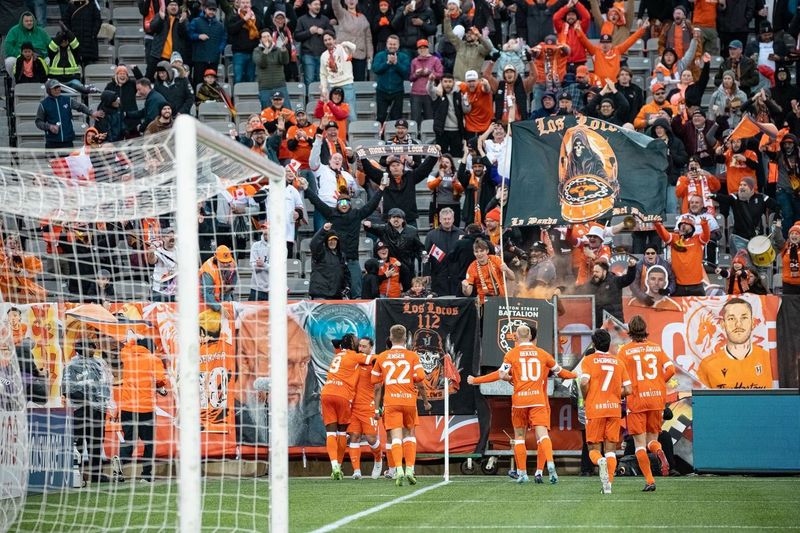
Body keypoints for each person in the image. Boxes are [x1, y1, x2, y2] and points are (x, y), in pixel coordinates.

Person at [497, 324, 576, 484]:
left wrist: (512, 378)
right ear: (531, 337)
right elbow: (560, 372)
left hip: (520, 400)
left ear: (517, 337)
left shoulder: (511, 354)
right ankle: (551, 463)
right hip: (538, 400)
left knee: (519, 437)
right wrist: (575, 374)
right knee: (543, 435)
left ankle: (523, 473)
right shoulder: (543, 354)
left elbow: (501, 374)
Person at [298, 173, 387, 299]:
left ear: (350, 204)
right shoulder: (331, 214)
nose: (344, 204)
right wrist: (307, 188)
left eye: (346, 202)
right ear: (337, 204)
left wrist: (382, 188)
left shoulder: (356, 214)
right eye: (341, 202)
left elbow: (371, 205)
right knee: (337, 291)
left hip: (352, 259)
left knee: (356, 291)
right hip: (336, 261)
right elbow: (317, 203)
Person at [617, 315, 675, 490]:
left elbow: (619, 378)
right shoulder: (656, 348)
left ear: (630, 331)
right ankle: (659, 451)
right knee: (652, 440)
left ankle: (650, 481)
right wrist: (658, 382)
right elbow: (671, 369)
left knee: (639, 445)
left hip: (637, 400)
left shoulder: (624, 351)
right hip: (656, 398)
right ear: (645, 329)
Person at [372, 324, 431, 486]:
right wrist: (425, 402)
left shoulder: (382, 357)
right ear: (406, 339)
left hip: (391, 402)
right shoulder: (412, 356)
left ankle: (398, 469)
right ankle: (410, 469)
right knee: (410, 434)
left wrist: (376, 408)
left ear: (390, 339)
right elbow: (420, 379)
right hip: (408, 401)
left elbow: (376, 385)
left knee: (395, 437)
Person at [580, 329, 632, 495]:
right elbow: (629, 389)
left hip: (595, 409)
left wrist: (586, 396)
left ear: (594, 344)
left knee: (593, 450)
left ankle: (599, 461)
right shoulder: (618, 362)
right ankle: (608, 485)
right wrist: (615, 393)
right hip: (613, 409)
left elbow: (583, 382)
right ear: (609, 344)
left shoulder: (589, 360)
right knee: (611, 450)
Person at [320, 333, 373, 480]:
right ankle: (339, 464)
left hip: (326, 393)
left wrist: (341, 343)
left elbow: (335, 342)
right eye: (356, 341)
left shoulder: (339, 354)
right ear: (351, 343)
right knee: (342, 433)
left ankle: (334, 467)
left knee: (330, 434)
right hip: (342, 395)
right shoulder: (355, 356)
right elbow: (375, 359)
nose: (359, 345)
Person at [61, 340, 115, 483]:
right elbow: (66, 389)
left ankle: (97, 474)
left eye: (93, 347)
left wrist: (106, 401)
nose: (93, 349)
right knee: (78, 442)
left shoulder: (100, 363)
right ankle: (76, 473)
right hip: (81, 409)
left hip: (99, 410)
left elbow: (107, 383)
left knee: (96, 442)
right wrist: (88, 399)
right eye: (90, 347)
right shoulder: (72, 366)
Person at [117, 337, 168, 483]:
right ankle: (146, 475)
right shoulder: (153, 359)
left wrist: (133, 341)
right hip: (146, 408)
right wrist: (159, 387)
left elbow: (126, 345)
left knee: (129, 441)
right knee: (149, 442)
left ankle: (119, 465)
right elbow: (161, 379)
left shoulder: (127, 355)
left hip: (127, 407)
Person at [697, 298, 774, 389]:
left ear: (752, 323)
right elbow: (703, 401)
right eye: (731, 318)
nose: (738, 324)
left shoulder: (768, 360)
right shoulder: (708, 364)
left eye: (744, 318)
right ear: (723, 324)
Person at [360, 153, 438, 229]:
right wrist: (362, 157)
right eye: (393, 165)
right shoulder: (384, 177)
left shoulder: (410, 176)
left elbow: (424, 169)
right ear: (389, 168)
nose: (395, 167)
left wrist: (434, 156)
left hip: (409, 219)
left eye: (398, 165)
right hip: (390, 220)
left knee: (413, 241)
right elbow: (370, 170)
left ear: (403, 167)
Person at [711, 178, 780, 254]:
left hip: (757, 237)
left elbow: (777, 207)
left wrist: (776, 221)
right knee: (743, 262)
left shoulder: (761, 198)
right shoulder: (735, 197)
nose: (742, 187)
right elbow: (723, 198)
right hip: (739, 237)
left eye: (745, 185)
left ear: (751, 187)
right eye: (740, 185)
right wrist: (712, 195)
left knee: (757, 264)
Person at [348, 337, 384, 479]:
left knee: (371, 439)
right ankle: (356, 471)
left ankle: (378, 459)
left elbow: (378, 389)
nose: (361, 349)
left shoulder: (375, 364)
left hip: (368, 406)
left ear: (370, 348)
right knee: (354, 437)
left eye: (364, 347)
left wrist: (376, 409)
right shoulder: (356, 360)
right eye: (360, 346)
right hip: (354, 407)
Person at [364, 208, 425, 291]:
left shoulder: (412, 231)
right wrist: (367, 224)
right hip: (391, 268)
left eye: (399, 217)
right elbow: (372, 227)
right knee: (391, 291)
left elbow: (419, 248)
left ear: (403, 219)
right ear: (389, 219)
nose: (396, 220)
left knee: (409, 292)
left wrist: (423, 256)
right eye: (393, 217)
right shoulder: (384, 229)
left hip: (407, 267)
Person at [35, 79, 103, 149]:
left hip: (68, 140)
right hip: (52, 141)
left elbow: (80, 107)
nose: (57, 89)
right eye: (54, 88)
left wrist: (91, 113)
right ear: (49, 90)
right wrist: (49, 126)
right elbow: (38, 122)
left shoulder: (67, 100)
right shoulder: (43, 104)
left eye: (58, 87)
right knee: (52, 160)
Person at [654, 215, 710, 296]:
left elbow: (706, 236)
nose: (683, 225)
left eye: (686, 224)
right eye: (681, 224)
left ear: (692, 228)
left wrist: (704, 224)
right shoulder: (674, 238)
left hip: (696, 286)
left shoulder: (698, 239)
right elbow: (664, 235)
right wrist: (658, 225)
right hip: (678, 286)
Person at [574, 22, 648, 83]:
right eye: (603, 42)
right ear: (600, 43)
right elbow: (585, 41)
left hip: (614, 86)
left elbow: (630, 41)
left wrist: (642, 29)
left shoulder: (617, 50)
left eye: (607, 42)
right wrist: (578, 30)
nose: (605, 45)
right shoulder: (595, 51)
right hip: (600, 86)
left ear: (611, 44)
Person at [580, 258, 637, 326]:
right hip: (598, 324)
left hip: (615, 322)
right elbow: (579, 290)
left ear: (604, 272)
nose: (594, 274)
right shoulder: (591, 284)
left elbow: (628, 278)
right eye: (594, 272)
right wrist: (565, 290)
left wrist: (632, 268)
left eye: (597, 272)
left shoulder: (615, 281)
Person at [423, 207, 465, 296]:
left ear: (453, 219)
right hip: (439, 276)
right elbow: (425, 255)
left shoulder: (461, 234)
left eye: (449, 219)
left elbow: (464, 256)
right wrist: (426, 273)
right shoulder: (431, 235)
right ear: (440, 220)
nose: (447, 221)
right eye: (444, 219)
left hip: (457, 276)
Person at [461, 238, 515, 305]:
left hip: (501, 299)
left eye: (481, 251)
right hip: (484, 303)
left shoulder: (495, 259)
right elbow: (468, 293)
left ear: (487, 251)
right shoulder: (472, 267)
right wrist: (464, 287)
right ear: (474, 253)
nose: (479, 254)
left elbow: (512, 278)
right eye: (476, 252)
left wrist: (507, 269)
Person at [319, 32, 357, 123]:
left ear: (334, 39)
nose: (328, 42)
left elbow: (354, 48)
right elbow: (323, 74)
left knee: (350, 114)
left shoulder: (342, 48)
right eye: (325, 40)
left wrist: (345, 43)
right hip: (333, 87)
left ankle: (353, 136)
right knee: (335, 115)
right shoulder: (323, 55)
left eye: (329, 39)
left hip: (346, 85)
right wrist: (324, 88)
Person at [188, 0, 227, 89]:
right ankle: (198, 101)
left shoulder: (220, 25)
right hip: (199, 59)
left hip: (213, 59)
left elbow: (224, 38)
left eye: (214, 10)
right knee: (198, 82)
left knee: (212, 83)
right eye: (210, 9)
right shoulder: (196, 21)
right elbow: (189, 34)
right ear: (205, 9)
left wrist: (219, 49)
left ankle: (211, 101)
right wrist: (198, 36)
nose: (212, 12)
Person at [372, 35, 411, 125]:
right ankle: (380, 137)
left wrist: (396, 64)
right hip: (382, 91)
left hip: (397, 91)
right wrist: (387, 63)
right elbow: (376, 69)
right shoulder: (380, 55)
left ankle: (395, 137)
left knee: (396, 118)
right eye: (390, 44)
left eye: (394, 44)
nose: (392, 46)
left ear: (398, 45)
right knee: (381, 116)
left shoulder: (404, 57)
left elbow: (406, 73)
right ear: (386, 44)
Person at [331, 0, 373, 82]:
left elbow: (368, 38)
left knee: (359, 82)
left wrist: (370, 54)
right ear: (345, 2)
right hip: (344, 54)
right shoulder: (342, 14)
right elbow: (335, 4)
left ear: (357, 1)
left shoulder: (363, 18)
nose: (351, 1)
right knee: (343, 81)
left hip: (360, 54)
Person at [148, 0, 189, 80]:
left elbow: (185, 35)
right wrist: (161, 19)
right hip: (158, 55)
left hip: (174, 58)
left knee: (172, 80)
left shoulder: (182, 18)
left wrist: (181, 22)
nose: (173, 7)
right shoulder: (160, 15)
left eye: (175, 5)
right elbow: (152, 28)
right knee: (153, 79)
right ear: (167, 7)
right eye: (171, 5)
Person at [294, 0, 332, 86]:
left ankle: (322, 99)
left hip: (323, 54)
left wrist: (324, 32)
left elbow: (332, 33)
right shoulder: (301, 19)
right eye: (315, 4)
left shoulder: (325, 19)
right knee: (309, 79)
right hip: (308, 54)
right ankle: (309, 99)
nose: (318, 6)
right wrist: (309, 32)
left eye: (319, 4)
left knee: (322, 79)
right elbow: (296, 36)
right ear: (309, 6)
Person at [428, 73, 465, 157]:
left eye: (450, 81)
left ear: (453, 83)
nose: (447, 84)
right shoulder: (438, 94)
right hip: (442, 131)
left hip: (457, 130)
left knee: (457, 155)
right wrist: (430, 81)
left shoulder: (459, 94)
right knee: (442, 155)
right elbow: (430, 90)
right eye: (445, 81)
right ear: (441, 82)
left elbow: (465, 110)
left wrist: (465, 101)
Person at [309, 223, 350, 300]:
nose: (332, 242)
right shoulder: (320, 253)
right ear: (325, 241)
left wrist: (347, 286)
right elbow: (314, 244)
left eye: (335, 240)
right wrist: (323, 230)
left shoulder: (341, 255)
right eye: (330, 240)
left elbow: (346, 273)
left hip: (337, 295)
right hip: (321, 295)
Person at [254, 29, 291, 109]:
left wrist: (284, 48)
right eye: (264, 37)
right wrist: (266, 50)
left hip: (280, 86)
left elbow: (285, 61)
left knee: (287, 112)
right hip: (265, 87)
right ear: (260, 40)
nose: (267, 38)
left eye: (268, 36)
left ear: (271, 37)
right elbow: (262, 64)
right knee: (267, 114)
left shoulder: (278, 49)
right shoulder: (257, 51)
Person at [227, 0, 261, 84]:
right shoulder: (234, 17)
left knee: (251, 78)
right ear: (239, 4)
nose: (245, 5)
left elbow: (261, 31)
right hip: (239, 53)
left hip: (253, 53)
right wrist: (244, 19)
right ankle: (237, 96)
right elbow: (231, 30)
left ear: (250, 4)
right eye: (243, 3)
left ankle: (250, 97)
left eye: (247, 3)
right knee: (238, 78)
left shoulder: (256, 18)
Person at [409, 40, 442, 127]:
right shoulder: (414, 61)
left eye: (424, 47)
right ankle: (415, 137)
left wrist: (430, 72)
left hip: (430, 93)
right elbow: (411, 78)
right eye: (420, 48)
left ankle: (430, 137)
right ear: (418, 50)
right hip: (416, 93)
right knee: (415, 118)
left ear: (428, 49)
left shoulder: (435, 60)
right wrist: (416, 74)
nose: (422, 50)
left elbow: (440, 74)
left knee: (430, 118)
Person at [199, 245, 238, 311]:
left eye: (227, 262)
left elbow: (232, 283)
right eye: (222, 262)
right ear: (216, 259)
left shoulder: (232, 264)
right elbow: (206, 294)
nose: (225, 265)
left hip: (222, 297)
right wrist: (219, 308)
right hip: (205, 302)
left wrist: (230, 288)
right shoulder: (208, 270)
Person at [145, 228, 177, 302]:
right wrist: (151, 252)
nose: (172, 238)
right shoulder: (158, 251)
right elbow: (152, 261)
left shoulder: (180, 250)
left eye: (173, 236)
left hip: (175, 292)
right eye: (168, 236)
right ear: (162, 238)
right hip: (159, 292)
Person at [249, 222, 270, 301]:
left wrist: (263, 265)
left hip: (273, 290)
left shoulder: (281, 247)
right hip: (256, 289)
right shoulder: (256, 246)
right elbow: (252, 266)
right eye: (264, 228)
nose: (265, 231)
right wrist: (261, 266)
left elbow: (277, 269)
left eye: (268, 228)